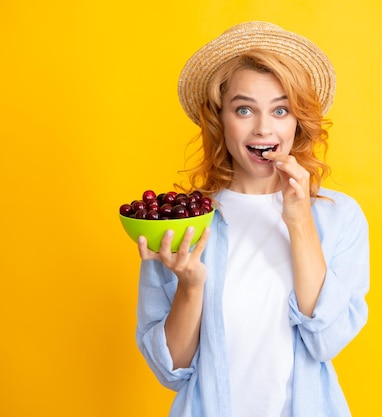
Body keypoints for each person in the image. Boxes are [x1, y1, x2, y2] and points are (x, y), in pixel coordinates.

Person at [135, 21, 370, 417]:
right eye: (244, 109)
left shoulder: (337, 217)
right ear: (219, 120)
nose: (264, 127)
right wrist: (191, 288)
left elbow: (326, 340)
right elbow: (170, 370)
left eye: (281, 109)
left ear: (298, 123)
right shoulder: (181, 223)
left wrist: (298, 220)